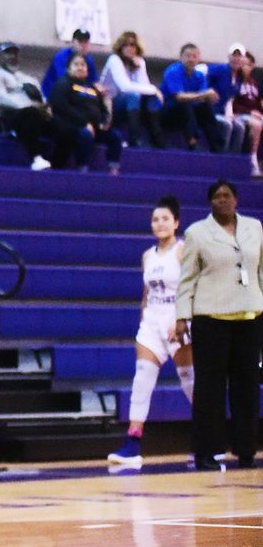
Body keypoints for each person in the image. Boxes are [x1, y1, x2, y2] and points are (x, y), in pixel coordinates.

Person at [176, 180, 262, 471]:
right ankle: (206, 452)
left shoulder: (255, 228)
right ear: (210, 202)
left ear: (237, 200)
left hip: (250, 317)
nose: (222, 200)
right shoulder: (197, 233)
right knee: (209, 389)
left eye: (227, 196)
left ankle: (247, 450)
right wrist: (180, 317)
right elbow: (186, 279)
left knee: (247, 387)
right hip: (210, 319)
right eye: (216, 196)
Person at [107, 198, 193, 468]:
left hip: (178, 319)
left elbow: (192, 287)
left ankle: (209, 438)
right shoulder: (148, 255)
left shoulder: (183, 251)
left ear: (176, 223)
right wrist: (144, 315)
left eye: (165, 219)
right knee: (142, 380)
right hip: (153, 320)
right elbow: (147, 292)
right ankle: (132, 445)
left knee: (190, 382)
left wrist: (183, 318)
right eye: (155, 219)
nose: (160, 223)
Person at [0, 41, 57, 171]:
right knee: (30, 114)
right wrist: (28, 106)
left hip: (34, 114)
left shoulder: (29, 79)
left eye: (15, 53)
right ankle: (36, 158)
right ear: (1, 56)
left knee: (62, 126)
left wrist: (46, 110)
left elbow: (42, 98)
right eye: (8, 53)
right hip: (7, 117)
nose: (12, 57)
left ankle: (60, 161)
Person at [48, 53, 123, 174]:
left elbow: (102, 108)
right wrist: (84, 122)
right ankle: (82, 167)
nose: (80, 67)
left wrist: (104, 122)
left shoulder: (92, 88)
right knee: (85, 134)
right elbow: (60, 106)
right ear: (69, 68)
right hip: (73, 126)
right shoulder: (63, 83)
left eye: (83, 64)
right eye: (76, 64)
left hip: (95, 127)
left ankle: (113, 168)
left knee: (115, 135)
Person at [98, 31, 165, 148]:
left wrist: (138, 68)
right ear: (120, 46)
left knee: (150, 98)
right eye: (126, 45)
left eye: (132, 45)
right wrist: (155, 89)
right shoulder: (114, 60)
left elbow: (144, 87)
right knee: (133, 95)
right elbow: (125, 87)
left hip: (131, 106)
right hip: (109, 105)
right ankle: (135, 139)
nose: (129, 48)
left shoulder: (139, 62)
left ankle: (157, 139)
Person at [160, 44, 225, 152]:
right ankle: (192, 142)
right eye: (187, 56)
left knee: (206, 107)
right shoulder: (172, 71)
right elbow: (179, 97)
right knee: (185, 104)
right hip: (167, 113)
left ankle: (217, 147)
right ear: (180, 57)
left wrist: (211, 97)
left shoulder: (199, 76)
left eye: (194, 56)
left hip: (189, 113)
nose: (191, 59)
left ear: (198, 59)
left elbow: (203, 98)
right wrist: (204, 95)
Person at [226, 51, 263, 177]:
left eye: (247, 64)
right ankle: (252, 161)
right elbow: (231, 102)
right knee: (257, 125)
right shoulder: (235, 81)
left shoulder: (254, 83)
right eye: (242, 64)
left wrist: (258, 112)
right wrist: (250, 112)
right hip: (239, 114)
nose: (244, 67)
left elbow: (257, 103)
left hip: (254, 114)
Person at [206, 43, 246, 152]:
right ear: (229, 57)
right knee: (227, 125)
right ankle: (221, 156)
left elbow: (230, 98)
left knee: (239, 126)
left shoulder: (239, 77)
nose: (236, 59)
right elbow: (202, 70)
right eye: (234, 55)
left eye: (239, 56)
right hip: (210, 112)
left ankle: (233, 159)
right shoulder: (220, 69)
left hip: (223, 112)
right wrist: (207, 90)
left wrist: (230, 113)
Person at [41, 28, 97, 98]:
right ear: (73, 42)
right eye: (80, 42)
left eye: (85, 42)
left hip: (75, 95)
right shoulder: (61, 57)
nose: (83, 45)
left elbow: (93, 81)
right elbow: (64, 83)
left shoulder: (88, 59)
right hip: (51, 95)